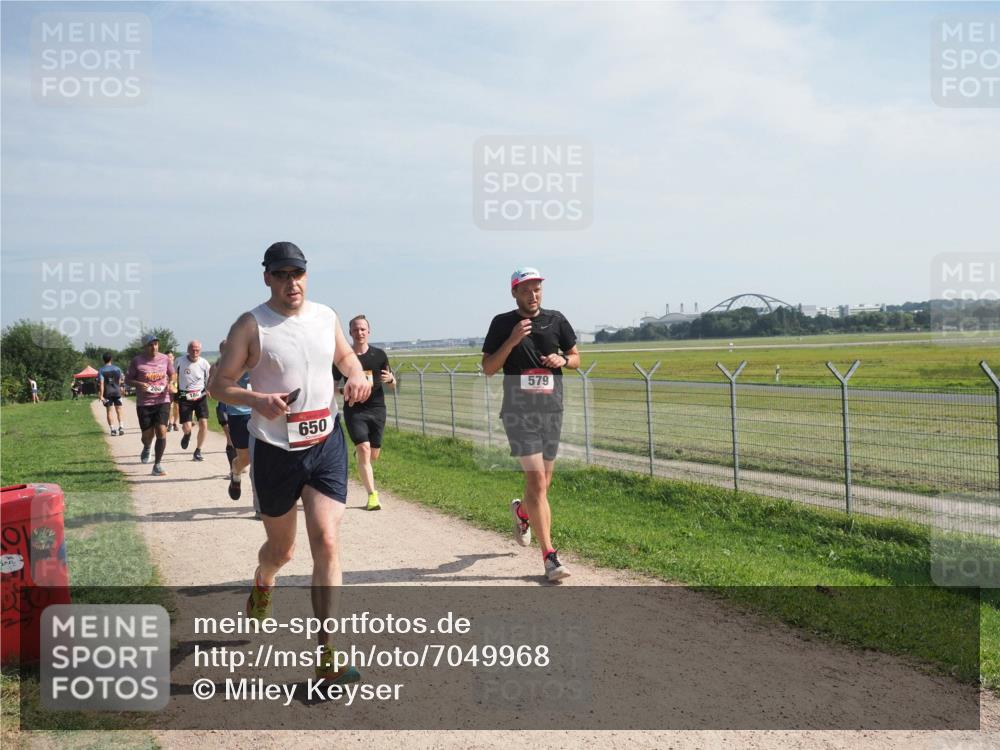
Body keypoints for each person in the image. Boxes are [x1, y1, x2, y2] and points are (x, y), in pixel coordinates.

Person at [208, 241, 370, 684]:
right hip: (275, 450)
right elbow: (219, 385)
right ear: (267, 278)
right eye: (280, 275)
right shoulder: (251, 325)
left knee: (328, 540)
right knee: (283, 551)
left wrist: (356, 373)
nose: (290, 282)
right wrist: (257, 399)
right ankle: (264, 579)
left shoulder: (325, 316)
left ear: (306, 275)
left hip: (325, 442)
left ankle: (327, 654)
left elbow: (345, 356)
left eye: (297, 273)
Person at [481, 266, 579, 582]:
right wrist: (511, 341)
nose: (533, 295)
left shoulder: (556, 320)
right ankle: (550, 556)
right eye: (526, 290)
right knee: (536, 481)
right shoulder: (502, 323)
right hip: (518, 412)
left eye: (537, 289)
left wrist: (563, 360)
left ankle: (522, 512)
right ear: (514, 293)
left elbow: (576, 357)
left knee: (543, 484)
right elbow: (488, 368)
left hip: (551, 411)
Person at [333, 315, 395, 511]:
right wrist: (346, 391)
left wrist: (391, 380)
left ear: (369, 331)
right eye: (355, 329)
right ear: (350, 333)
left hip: (377, 409)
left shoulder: (379, 355)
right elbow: (332, 387)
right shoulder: (343, 359)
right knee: (364, 450)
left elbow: (392, 385)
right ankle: (372, 496)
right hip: (355, 410)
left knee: (373, 455)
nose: (359, 332)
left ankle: (361, 455)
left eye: (362, 329)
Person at [126, 334, 175, 476]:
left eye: (155, 344)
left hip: (162, 400)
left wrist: (171, 382)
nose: (154, 347)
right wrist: (138, 384)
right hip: (144, 403)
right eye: (150, 345)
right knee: (147, 436)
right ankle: (147, 446)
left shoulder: (165, 359)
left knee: (161, 430)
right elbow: (128, 380)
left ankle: (157, 464)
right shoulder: (137, 361)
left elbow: (172, 374)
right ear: (144, 347)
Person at [175, 340, 211, 461]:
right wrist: (172, 387)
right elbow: (173, 376)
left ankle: (198, 451)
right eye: (193, 349)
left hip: (200, 396)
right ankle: (187, 434)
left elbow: (209, 378)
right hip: (184, 396)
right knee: (187, 427)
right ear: (188, 350)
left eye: (197, 350)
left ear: (200, 351)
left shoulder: (204, 363)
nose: (195, 352)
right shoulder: (179, 361)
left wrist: (209, 388)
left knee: (204, 423)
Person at [97, 353, 126, 435]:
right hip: (117, 392)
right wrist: (121, 389)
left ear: (103, 360)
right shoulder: (118, 369)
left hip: (107, 393)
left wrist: (101, 395)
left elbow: (101, 384)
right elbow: (121, 381)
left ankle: (113, 430)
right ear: (111, 359)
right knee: (119, 410)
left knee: (109, 411)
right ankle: (121, 427)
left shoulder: (101, 370)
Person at [167, 352, 181, 431]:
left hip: (178, 389)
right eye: (167, 357)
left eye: (170, 357)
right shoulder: (164, 367)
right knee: (170, 407)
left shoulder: (177, 366)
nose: (169, 358)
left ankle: (175, 423)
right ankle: (170, 423)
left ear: (173, 357)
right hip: (169, 389)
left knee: (177, 408)